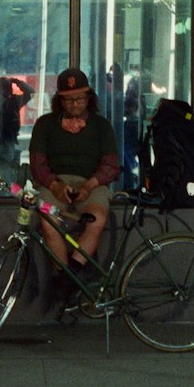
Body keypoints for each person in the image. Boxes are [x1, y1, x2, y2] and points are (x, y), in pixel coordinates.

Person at [29, 68, 120, 302]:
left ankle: (68, 278)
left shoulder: (101, 126)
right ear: (60, 101)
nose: (75, 104)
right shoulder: (45, 124)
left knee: (97, 218)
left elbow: (110, 166)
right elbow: (37, 164)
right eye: (68, 100)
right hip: (55, 183)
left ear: (89, 98)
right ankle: (68, 277)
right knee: (48, 221)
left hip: (92, 183)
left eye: (79, 98)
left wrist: (89, 186)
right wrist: (54, 184)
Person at [0, 75, 33, 184]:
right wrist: (2, 96)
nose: (4, 90)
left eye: (6, 87)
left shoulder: (15, 100)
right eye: (1, 87)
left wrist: (18, 82)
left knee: (8, 178)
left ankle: (8, 197)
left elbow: (31, 92)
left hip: (8, 143)